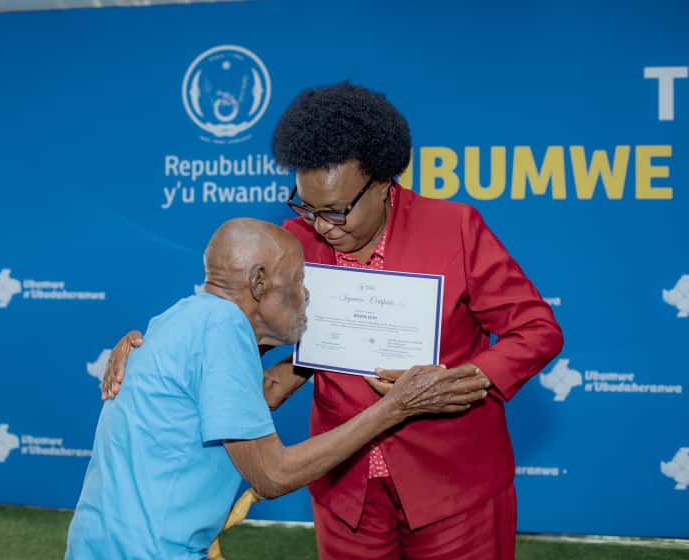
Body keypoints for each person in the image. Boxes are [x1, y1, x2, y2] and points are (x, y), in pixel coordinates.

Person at [103, 83, 563, 559]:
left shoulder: (455, 229)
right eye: (308, 208)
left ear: (383, 183)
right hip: (345, 488)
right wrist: (155, 344)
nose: (321, 226)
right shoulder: (293, 241)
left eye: (337, 211)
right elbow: (233, 326)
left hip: (452, 484)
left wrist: (470, 377)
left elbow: (536, 329)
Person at [67, 218, 490, 559]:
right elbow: (273, 474)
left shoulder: (183, 317)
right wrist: (396, 406)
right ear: (259, 282)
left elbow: (258, 395)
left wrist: (337, 348)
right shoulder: (223, 326)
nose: (306, 294)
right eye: (298, 279)